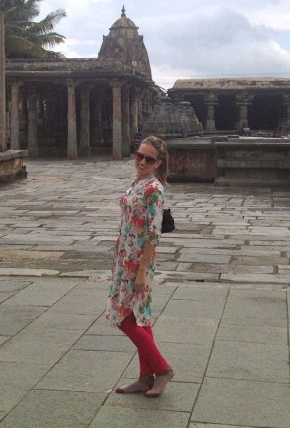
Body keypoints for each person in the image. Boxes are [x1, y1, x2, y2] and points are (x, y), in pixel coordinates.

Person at [107, 135, 174, 397]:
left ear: (158, 163)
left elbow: (153, 232)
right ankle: (145, 377)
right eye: (139, 156)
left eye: (149, 159)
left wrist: (143, 269)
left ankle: (162, 369)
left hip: (138, 262)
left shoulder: (154, 189)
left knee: (123, 318)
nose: (142, 161)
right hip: (124, 259)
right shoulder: (137, 182)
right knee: (139, 317)